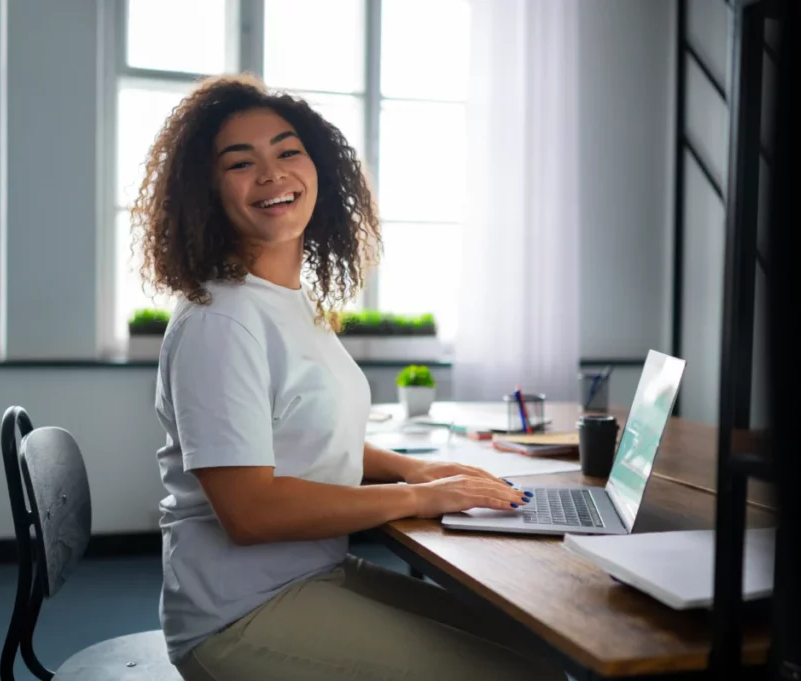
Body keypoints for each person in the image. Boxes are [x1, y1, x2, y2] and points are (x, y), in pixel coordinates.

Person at [131, 73, 564, 681]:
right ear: (206, 188)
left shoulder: (286, 301)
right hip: (238, 614)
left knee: (538, 651)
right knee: (522, 676)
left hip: (310, 574)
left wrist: (414, 468)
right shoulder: (221, 319)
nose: (272, 174)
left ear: (318, 171)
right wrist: (420, 497)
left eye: (288, 151)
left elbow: (303, 435)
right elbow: (251, 511)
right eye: (240, 162)